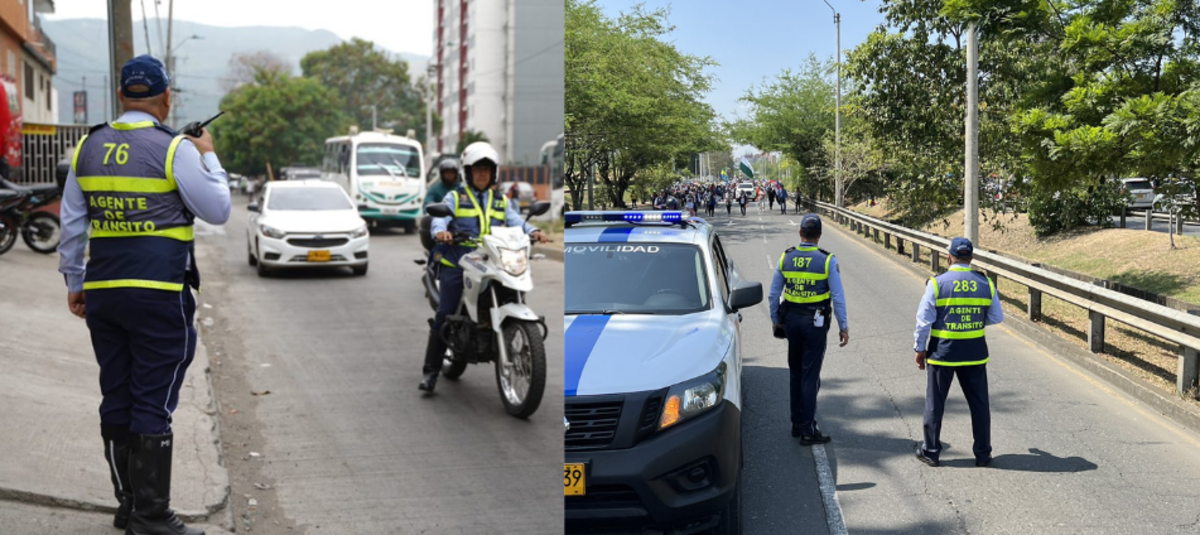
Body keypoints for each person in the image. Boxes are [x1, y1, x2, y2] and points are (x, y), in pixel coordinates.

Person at [56, 55, 229, 535]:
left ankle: (129, 506)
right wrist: (208, 154)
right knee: (152, 400)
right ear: (166, 97)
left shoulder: (87, 147)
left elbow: (71, 227)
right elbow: (217, 210)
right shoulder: (176, 150)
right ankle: (152, 518)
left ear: (120, 96)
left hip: (103, 293)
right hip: (158, 293)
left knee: (118, 394)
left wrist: (74, 282)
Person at [422, 142, 552, 392]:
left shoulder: (501, 200)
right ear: (468, 172)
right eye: (477, 169)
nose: (482, 173)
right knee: (444, 314)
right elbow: (441, 218)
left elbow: (516, 222)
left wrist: (534, 231)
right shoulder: (455, 197)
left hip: (493, 261)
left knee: (513, 288)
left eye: (486, 169)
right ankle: (430, 372)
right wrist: (441, 233)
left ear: (494, 172)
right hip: (459, 262)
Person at [912, 237, 1004, 467]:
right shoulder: (986, 283)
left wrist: (920, 349)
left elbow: (924, 322)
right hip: (975, 353)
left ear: (949, 256)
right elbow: (996, 317)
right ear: (971, 258)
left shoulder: (936, 283)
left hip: (942, 353)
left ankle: (931, 452)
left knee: (935, 404)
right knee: (979, 405)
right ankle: (983, 454)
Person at [769, 214, 849, 445]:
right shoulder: (827, 260)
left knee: (795, 372)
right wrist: (843, 326)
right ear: (819, 235)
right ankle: (807, 429)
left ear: (800, 233)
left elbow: (774, 294)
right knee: (810, 376)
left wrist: (776, 320)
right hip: (815, 324)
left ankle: (796, 422)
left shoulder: (787, 256)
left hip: (791, 322)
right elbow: (838, 297)